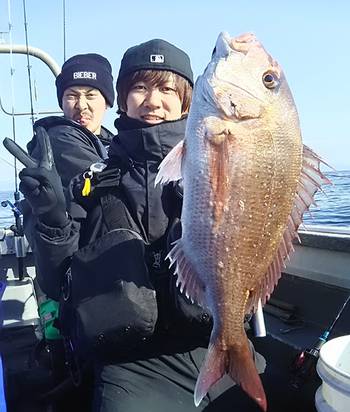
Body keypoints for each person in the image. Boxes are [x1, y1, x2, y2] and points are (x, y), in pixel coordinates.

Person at [6, 39, 266, 412]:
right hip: (132, 367)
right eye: (140, 88)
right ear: (123, 100)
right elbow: (57, 280)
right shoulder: (94, 179)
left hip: (215, 338)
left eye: (166, 88)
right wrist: (50, 218)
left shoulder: (217, 162)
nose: (153, 100)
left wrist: (233, 57)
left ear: (188, 101)